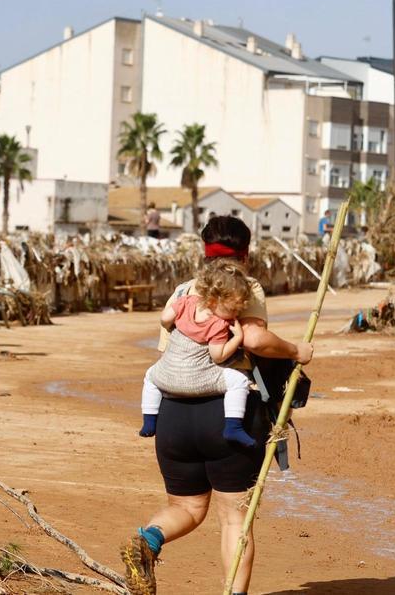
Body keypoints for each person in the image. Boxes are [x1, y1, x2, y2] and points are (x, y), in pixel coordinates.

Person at [121, 215, 314, 595]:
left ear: (204, 252)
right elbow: (254, 340)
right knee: (234, 520)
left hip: (173, 416)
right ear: (246, 253)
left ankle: (149, 539)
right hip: (226, 415)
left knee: (187, 508)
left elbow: (168, 352)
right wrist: (296, 350)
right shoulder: (245, 286)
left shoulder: (183, 291)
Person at [140, 259, 255, 447]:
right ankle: (233, 426)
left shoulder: (185, 302)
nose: (235, 315)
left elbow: (164, 319)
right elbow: (218, 356)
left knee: (150, 377)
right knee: (239, 381)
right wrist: (237, 337)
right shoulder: (219, 324)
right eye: (233, 309)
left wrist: (174, 323)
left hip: (166, 378)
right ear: (213, 300)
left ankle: (149, 421)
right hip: (198, 380)